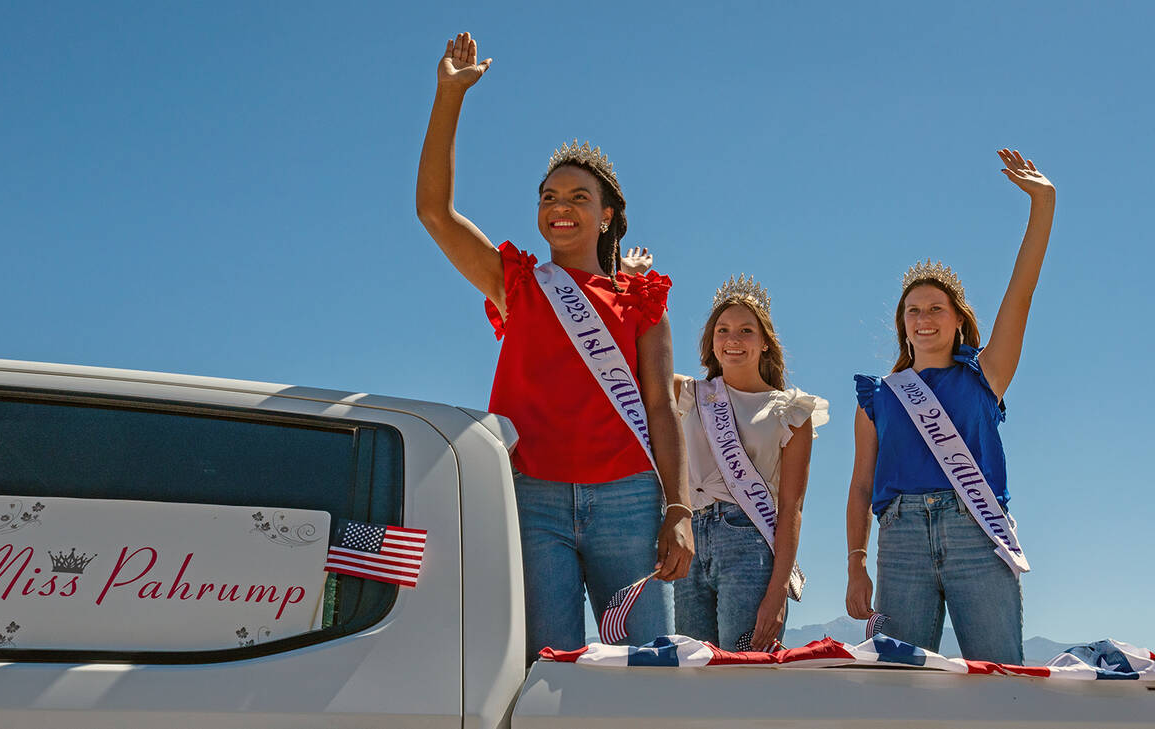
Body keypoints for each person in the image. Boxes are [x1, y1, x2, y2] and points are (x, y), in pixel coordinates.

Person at [415, 33, 693, 663]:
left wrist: (677, 506)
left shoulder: (641, 296)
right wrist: (449, 97)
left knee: (648, 670)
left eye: (577, 198)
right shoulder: (516, 284)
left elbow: (660, 407)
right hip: (532, 495)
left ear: (607, 215)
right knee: (546, 668)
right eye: (548, 197)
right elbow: (434, 212)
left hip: (629, 496)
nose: (559, 208)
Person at [844, 149, 1056, 664]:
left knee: (998, 678)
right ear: (903, 324)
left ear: (958, 319)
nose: (924, 318)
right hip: (901, 542)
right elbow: (861, 484)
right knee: (899, 689)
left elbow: (1021, 293)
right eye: (913, 310)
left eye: (936, 308)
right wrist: (856, 564)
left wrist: (1043, 205)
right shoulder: (881, 394)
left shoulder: (987, 375)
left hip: (977, 534)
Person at [621, 251, 827, 653]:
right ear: (711, 342)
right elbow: (626, 359)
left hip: (750, 544)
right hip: (688, 539)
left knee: (746, 673)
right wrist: (631, 282)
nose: (733, 340)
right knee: (692, 669)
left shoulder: (791, 410)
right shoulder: (688, 394)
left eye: (746, 331)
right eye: (723, 330)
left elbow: (791, 508)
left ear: (765, 342)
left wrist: (778, 591)